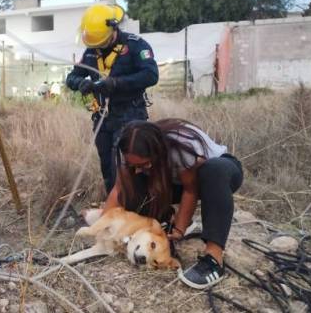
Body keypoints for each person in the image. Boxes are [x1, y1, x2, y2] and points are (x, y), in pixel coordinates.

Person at [102, 118, 243, 289]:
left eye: (144, 164)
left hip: (218, 177)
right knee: (133, 186)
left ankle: (214, 259)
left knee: (213, 170)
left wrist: (180, 229)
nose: (138, 169)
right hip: (174, 181)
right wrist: (103, 225)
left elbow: (191, 190)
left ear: (157, 153)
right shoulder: (128, 154)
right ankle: (163, 225)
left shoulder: (180, 145)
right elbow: (118, 190)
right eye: (133, 165)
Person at [66, 4, 158, 194]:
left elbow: (151, 75)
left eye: (102, 42)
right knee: (107, 167)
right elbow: (72, 77)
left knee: (124, 166)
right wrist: (80, 83)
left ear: (113, 29)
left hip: (130, 115)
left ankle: (134, 209)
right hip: (102, 118)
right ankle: (114, 207)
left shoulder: (135, 45)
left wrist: (116, 83)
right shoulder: (92, 50)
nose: (98, 47)